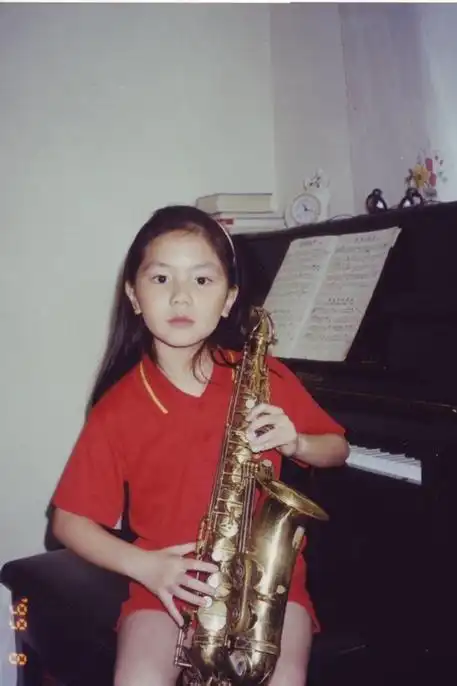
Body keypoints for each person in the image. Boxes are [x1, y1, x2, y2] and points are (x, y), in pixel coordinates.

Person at [51, 205, 350, 686]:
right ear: (134, 295)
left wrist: (296, 442)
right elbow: (68, 522)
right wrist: (148, 568)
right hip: (167, 586)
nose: (181, 296)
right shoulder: (118, 408)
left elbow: (337, 448)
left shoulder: (264, 376)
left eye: (203, 280)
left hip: (265, 587)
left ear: (229, 299)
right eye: (161, 278)